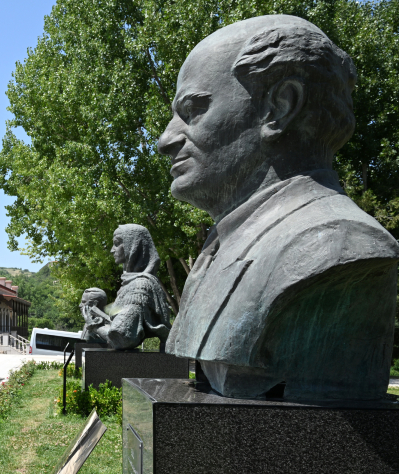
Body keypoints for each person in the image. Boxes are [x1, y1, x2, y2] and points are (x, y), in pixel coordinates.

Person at [158, 15, 399, 399]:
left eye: (194, 109)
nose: (166, 139)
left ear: (280, 107)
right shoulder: (217, 248)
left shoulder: (340, 245)